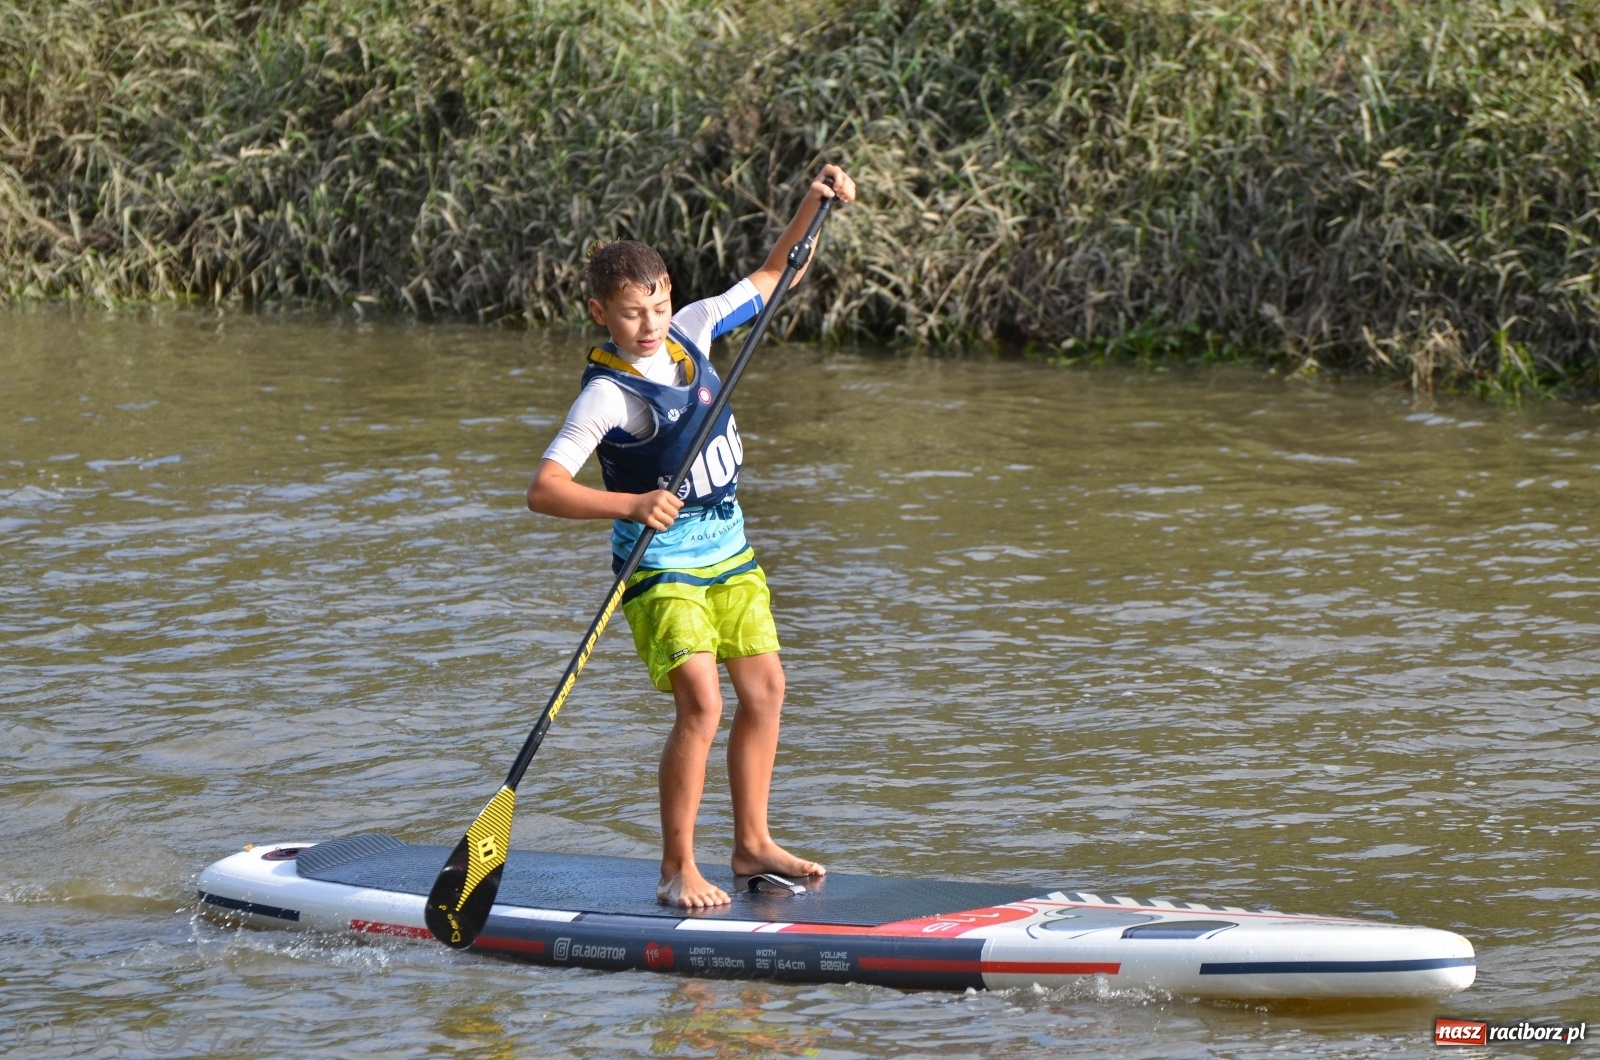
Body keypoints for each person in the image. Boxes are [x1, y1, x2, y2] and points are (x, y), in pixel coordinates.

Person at [526, 164, 857, 908]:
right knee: (701, 705)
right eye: (630, 313)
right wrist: (630, 504)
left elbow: (777, 275)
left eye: (658, 305)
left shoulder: (698, 327)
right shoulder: (609, 394)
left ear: (671, 293)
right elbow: (543, 490)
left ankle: (750, 844)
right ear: (599, 313)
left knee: (766, 690)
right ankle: (678, 868)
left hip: (729, 546)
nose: (649, 325)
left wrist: (812, 199)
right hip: (661, 564)